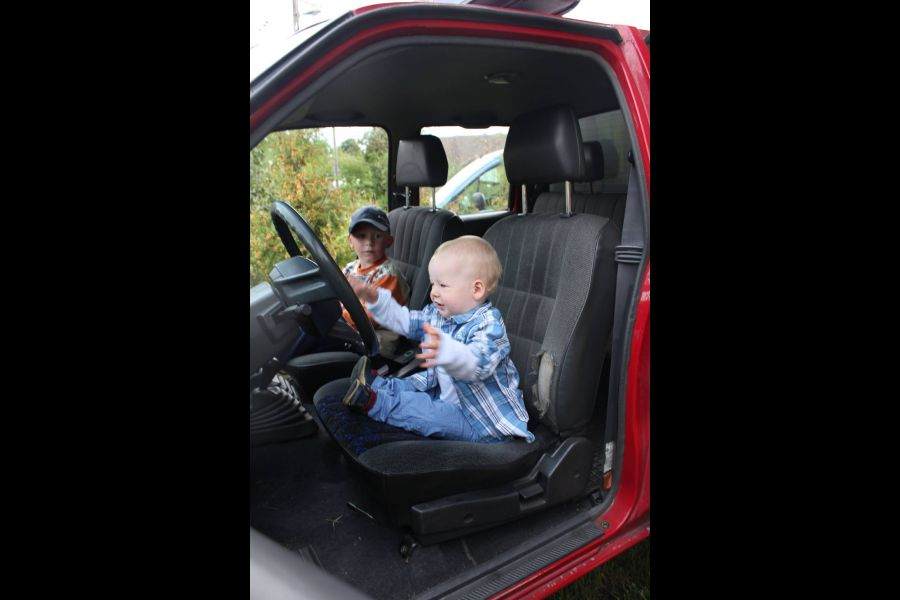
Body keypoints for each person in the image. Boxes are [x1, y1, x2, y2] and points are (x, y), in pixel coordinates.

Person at [342, 235, 533, 443]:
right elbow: (406, 321)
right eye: (433, 284)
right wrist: (374, 297)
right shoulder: (438, 314)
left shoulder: (489, 324)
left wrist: (447, 351)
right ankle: (376, 385)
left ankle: (374, 403)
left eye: (442, 285)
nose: (433, 292)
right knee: (411, 389)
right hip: (445, 394)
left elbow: (478, 365)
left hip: (480, 421)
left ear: (476, 290)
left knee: (422, 411)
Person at [341, 205, 410, 337]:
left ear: (388, 241)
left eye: (377, 236)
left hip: (377, 337)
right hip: (352, 328)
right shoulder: (349, 269)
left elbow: (372, 319)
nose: (369, 242)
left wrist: (338, 317)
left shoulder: (389, 274)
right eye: (362, 236)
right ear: (350, 241)